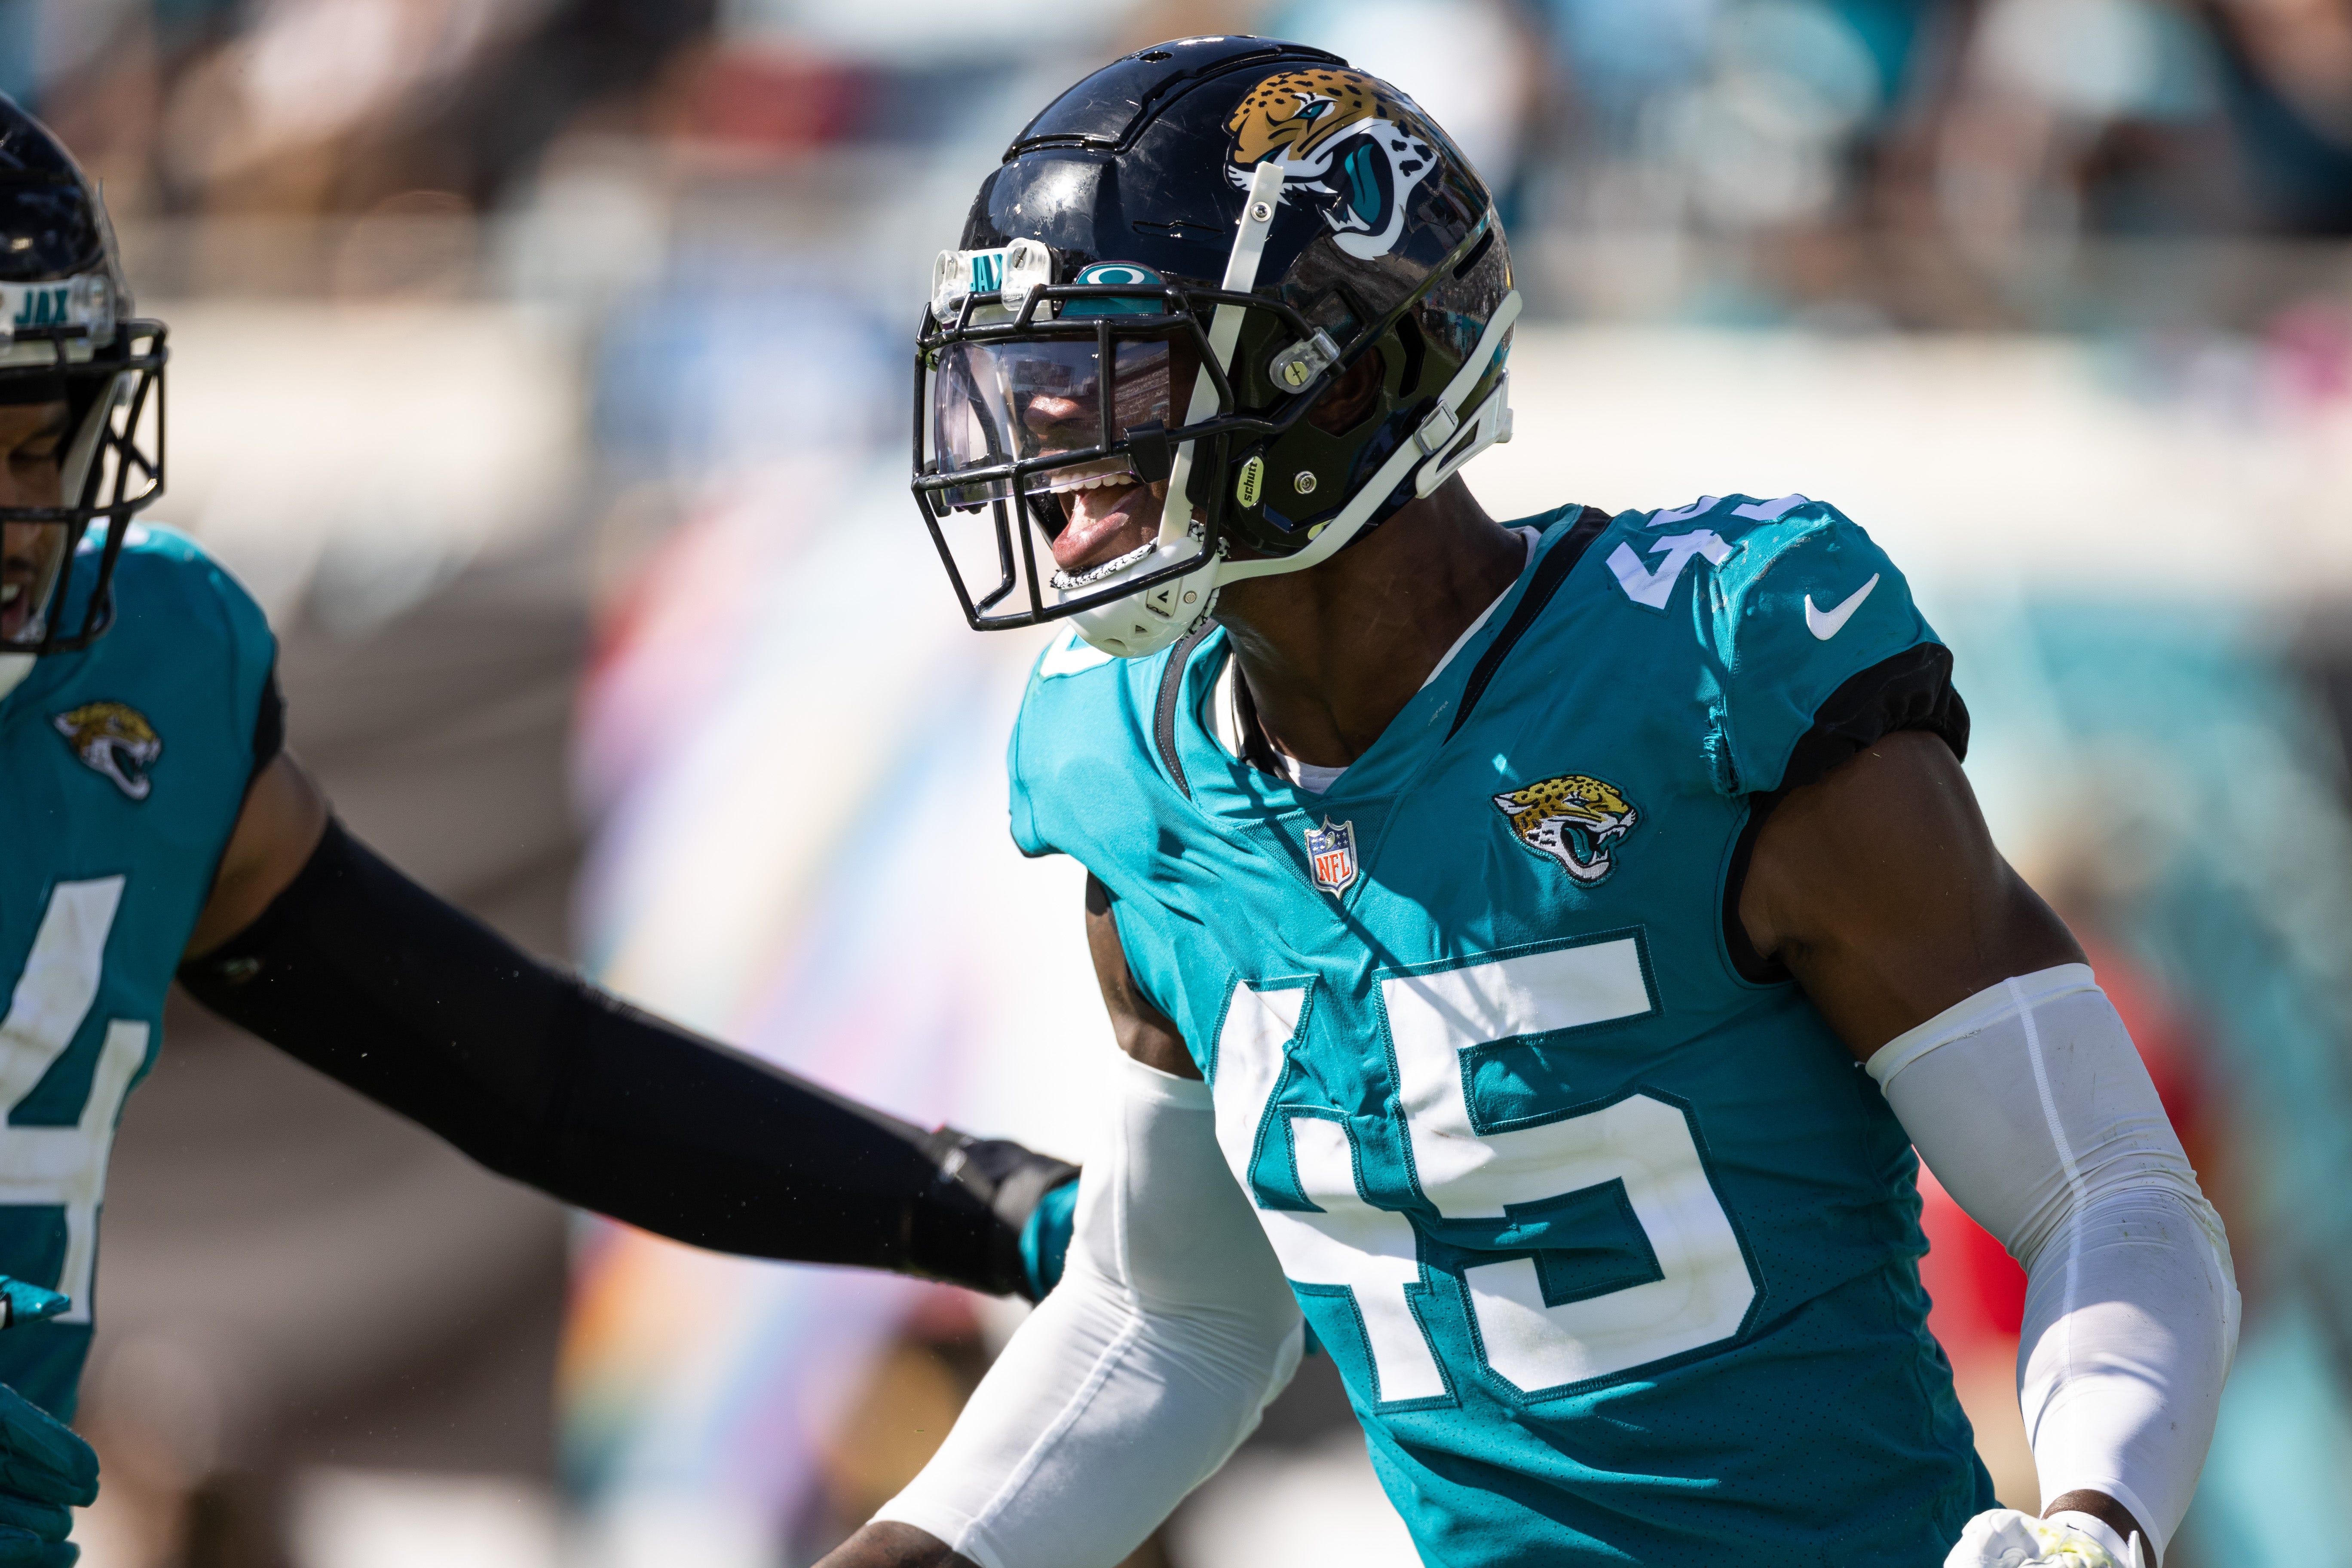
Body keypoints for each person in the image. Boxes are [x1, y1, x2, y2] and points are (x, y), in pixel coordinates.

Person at [832, 35, 2238, 1568]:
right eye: (1032, 375)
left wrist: (2097, 1526)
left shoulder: (1701, 674)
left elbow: (2108, 1186)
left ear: (1346, 371)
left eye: (1121, 363)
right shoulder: (1133, 767)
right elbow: (1174, 1318)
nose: (1048, 433)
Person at [0, 96, 1077, 1564]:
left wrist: (982, 1204)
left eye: (39, 438)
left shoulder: (146, 678)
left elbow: (526, 1069)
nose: (17, 511)